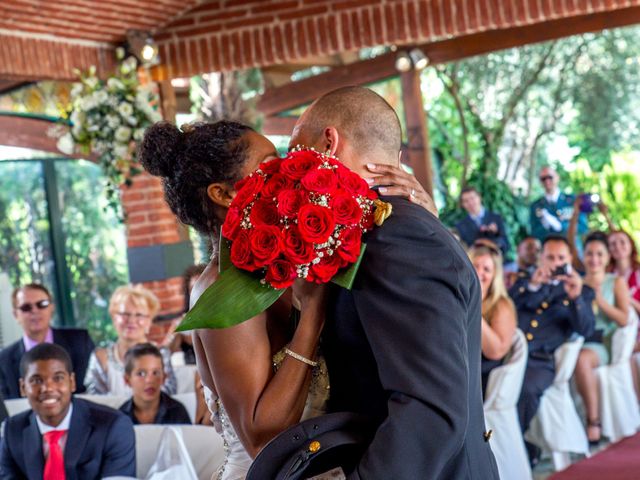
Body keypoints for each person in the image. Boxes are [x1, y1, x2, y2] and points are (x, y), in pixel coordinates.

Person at [139, 119, 436, 479]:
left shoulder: (288, 261)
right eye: (268, 164)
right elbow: (262, 439)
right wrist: (312, 313)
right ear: (224, 194)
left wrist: (420, 218)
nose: (283, 170)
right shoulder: (221, 290)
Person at [289, 86, 499, 478]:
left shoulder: (395, 237)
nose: (291, 169)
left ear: (329, 144)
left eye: (294, 150)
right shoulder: (384, 229)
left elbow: (429, 411)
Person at [509, 235, 595, 465]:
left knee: (525, 389)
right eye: (550, 257)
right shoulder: (524, 282)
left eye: (561, 258)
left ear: (569, 260)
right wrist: (534, 286)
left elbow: (586, 329)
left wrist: (575, 296)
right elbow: (507, 309)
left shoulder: (580, 290)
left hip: (540, 361)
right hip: (509, 354)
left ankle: (517, 448)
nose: (555, 263)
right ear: (540, 258)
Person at [0, 343, 135, 479]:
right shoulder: (12, 430)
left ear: (72, 382)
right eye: (36, 380)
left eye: (58, 378)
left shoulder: (113, 426)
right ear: (23, 387)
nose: (48, 388)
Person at [573, 232, 630, 444]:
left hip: (600, 343)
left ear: (607, 257)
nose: (594, 259)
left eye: (599, 254)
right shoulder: (576, 282)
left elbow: (625, 319)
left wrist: (601, 302)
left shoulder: (615, 283)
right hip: (575, 339)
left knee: (581, 359)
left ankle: (593, 420)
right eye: (589, 254)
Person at [0, 283, 94, 399]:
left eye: (42, 304)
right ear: (15, 314)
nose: (35, 311)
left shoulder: (80, 341)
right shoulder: (4, 359)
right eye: (26, 307)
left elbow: (91, 391)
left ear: (52, 307)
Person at [84, 284, 176, 396]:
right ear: (113, 318)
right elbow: (96, 402)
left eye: (139, 315)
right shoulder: (100, 357)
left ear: (149, 321)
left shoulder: (161, 353)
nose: (132, 320)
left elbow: (168, 395)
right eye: (125, 314)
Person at [468, 241, 517, 397]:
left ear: (495, 275)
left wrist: (474, 308)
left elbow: (496, 352)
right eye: (475, 266)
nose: (479, 272)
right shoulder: (456, 297)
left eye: (487, 269)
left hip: (482, 378)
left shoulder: (501, 305)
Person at [119, 343, 191, 425]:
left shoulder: (178, 411)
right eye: (141, 373)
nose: (149, 380)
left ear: (164, 377)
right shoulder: (120, 417)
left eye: (155, 373)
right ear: (127, 380)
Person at [529, 166, 588, 247]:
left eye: (550, 177)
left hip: (572, 249)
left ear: (557, 177)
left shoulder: (573, 201)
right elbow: (534, 232)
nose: (547, 181)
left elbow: (583, 227)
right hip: (549, 250)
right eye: (543, 179)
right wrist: (549, 228)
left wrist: (561, 227)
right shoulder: (536, 206)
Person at [455, 186, 510, 256]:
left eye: (472, 198)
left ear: (479, 197)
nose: (470, 203)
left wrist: (495, 234)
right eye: (466, 201)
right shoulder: (460, 226)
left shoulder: (496, 218)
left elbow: (506, 244)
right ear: (462, 204)